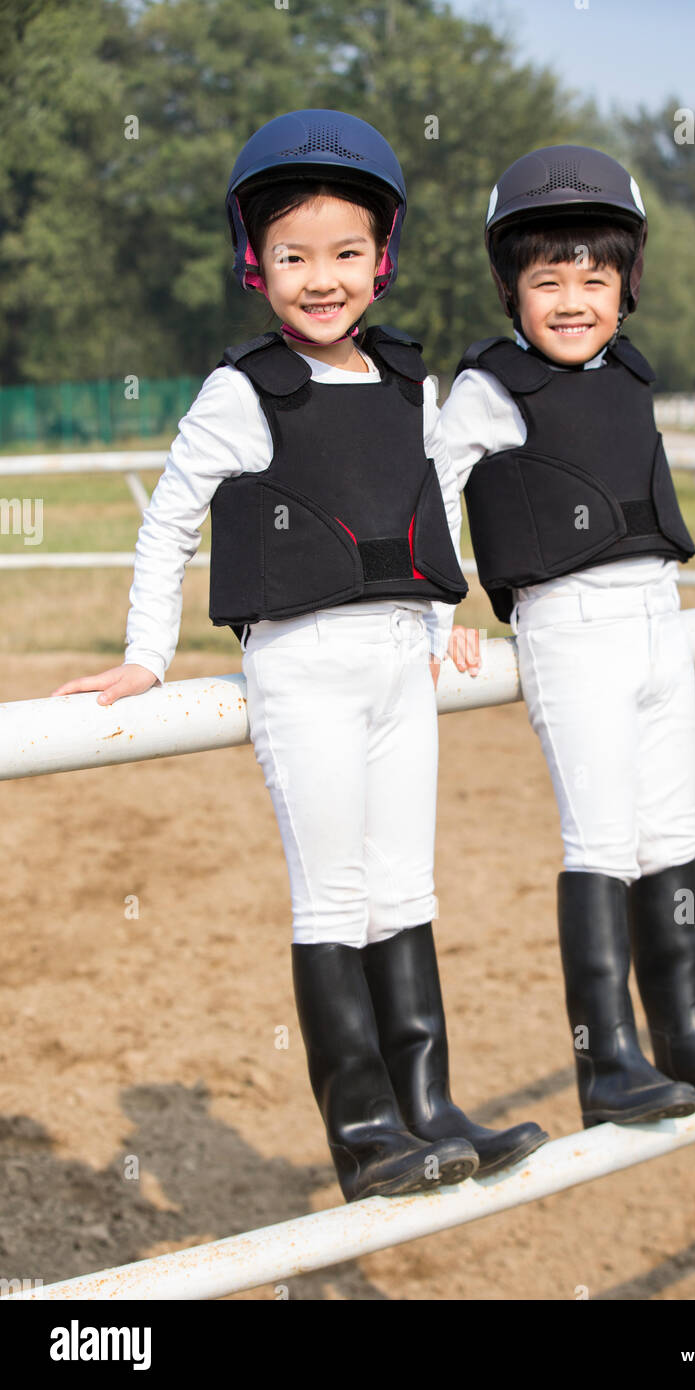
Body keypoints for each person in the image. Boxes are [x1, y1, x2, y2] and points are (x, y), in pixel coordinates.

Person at [51, 110, 547, 1200]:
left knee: (403, 891)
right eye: (291, 257)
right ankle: (365, 1129)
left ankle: (429, 1105)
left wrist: (445, 611)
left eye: (344, 254)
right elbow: (167, 521)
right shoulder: (243, 390)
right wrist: (145, 655)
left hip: (398, 667)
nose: (320, 279)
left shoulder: (409, 383)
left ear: (382, 259)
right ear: (254, 263)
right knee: (332, 897)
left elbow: (422, 514)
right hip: (303, 670)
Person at [440, 145, 695, 1128]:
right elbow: (429, 495)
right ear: (508, 285)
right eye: (545, 279)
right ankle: (607, 1065)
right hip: (569, 627)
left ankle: (685, 1029)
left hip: (654, 623)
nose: (570, 299)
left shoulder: (628, 371)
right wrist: (443, 604)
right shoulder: (488, 385)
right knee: (598, 841)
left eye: (593, 278)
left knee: (672, 834)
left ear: (625, 282)